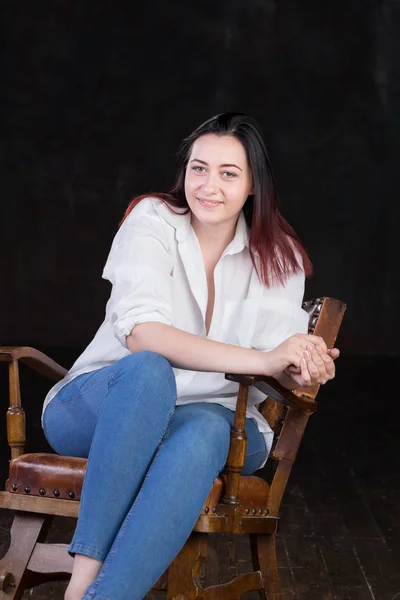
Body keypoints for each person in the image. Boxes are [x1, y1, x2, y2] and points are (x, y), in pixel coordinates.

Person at [42, 112, 339, 600]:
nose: (209, 185)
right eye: (199, 168)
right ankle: (82, 582)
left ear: (253, 187)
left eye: (228, 173)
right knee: (148, 370)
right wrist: (262, 358)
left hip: (213, 420)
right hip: (103, 408)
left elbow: (278, 365)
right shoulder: (153, 219)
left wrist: (303, 361)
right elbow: (143, 336)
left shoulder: (280, 256)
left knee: (204, 429)